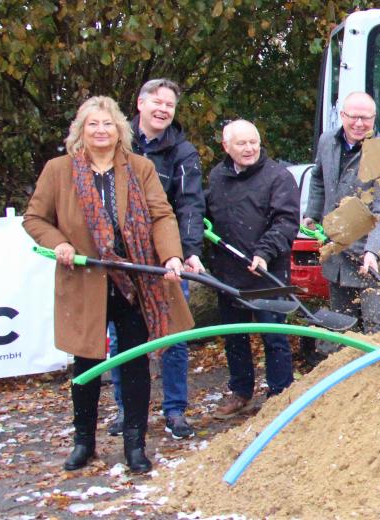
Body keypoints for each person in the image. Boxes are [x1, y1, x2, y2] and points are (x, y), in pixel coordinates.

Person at [24, 96, 194, 473]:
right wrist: (61, 244)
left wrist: (170, 257)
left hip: (133, 281)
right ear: (80, 131)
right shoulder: (59, 170)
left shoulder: (140, 168)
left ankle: (135, 443)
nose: (101, 131)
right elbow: (35, 219)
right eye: (93, 125)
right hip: (84, 281)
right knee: (86, 366)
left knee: (133, 362)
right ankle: (83, 441)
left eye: (108, 124)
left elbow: (161, 215)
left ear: (121, 130)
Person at [106, 79, 204, 439]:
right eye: (157, 103)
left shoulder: (182, 152)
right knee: (121, 339)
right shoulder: (113, 141)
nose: (163, 110)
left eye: (170, 105)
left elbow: (190, 205)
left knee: (174, 336)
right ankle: (125, 408)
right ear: (140, 104)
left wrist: (188, 252)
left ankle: (175, 410)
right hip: (122, 257)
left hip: (168, 257)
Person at [204, 120, 300, 419]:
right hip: (229, 273)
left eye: (253, 142)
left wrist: (264, 253)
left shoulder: (278, 177)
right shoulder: (217, 177)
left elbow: (286, 222)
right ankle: (241, 391)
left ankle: (279, 395)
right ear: (226, 147)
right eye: (241, 143)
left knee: (274, 336)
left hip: (267, 272)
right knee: (235, 337)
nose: (249, 149)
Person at [303, 92, 380, 333]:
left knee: (375, 327)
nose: (359, 124)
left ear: (375, 118)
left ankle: (377, 370)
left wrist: (372, 251)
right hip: (337, 249)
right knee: (340, 323)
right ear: (342, 115)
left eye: (366, 118)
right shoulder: (327, 142)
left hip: (371, 256)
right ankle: (347, 368)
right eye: (354, 117)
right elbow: (317, 176)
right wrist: (312, 214)